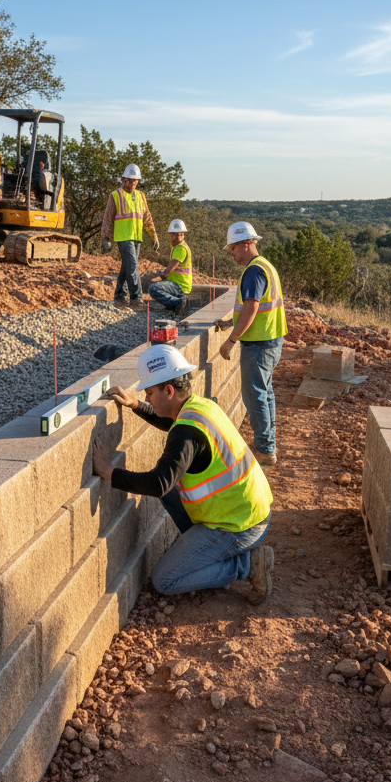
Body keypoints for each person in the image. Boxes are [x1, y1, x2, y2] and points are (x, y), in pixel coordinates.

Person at [91, 344, 275, 604]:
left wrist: (110, 472)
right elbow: (171, 421)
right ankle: (204, 551)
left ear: (168, 391)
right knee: (170, 493)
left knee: (165, 580)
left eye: (150, 392)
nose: (147, 397)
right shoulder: (198, 406)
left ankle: (247, 565)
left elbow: (157, 484)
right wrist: (137, 405)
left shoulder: (186, 432)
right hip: (246, 509)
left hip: (239, 524)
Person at [217, 221, 286, 466]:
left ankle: (265, 449)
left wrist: (230, 340)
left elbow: (252, 306)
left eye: (233, 248)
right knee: (265, 393)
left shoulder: (254, 271)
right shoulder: (265, 266)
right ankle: (268, 443)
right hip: (270, 340)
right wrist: (229, 324)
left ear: (246, 244)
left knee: (254, 396)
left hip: (258, 345)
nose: (232, 254)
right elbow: (253, 309)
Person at [100, 163, 159, 306]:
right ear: (123, 179)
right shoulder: (116, 195)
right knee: (132, 267)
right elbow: (108, 217)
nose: (133, 183)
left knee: (127, 267)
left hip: (136, 237)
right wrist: (106, 237)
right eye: (130, 180)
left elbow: (146, 218)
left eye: (135, 181)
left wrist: (154, 236)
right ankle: (136, 298)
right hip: (123, 237)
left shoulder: (140, 196)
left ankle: (119, 296)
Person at [147, 219, 192, 316]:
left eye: (181, 235)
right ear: (171, 234)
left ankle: (178, 303)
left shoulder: (180, 248)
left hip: (180, 286)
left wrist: (158, 277)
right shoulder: (177, 247)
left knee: (153, 289)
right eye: (177, 235)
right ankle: (174, 303)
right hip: (180, 285)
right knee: (159, 286)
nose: (179, 238)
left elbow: (167, 272)